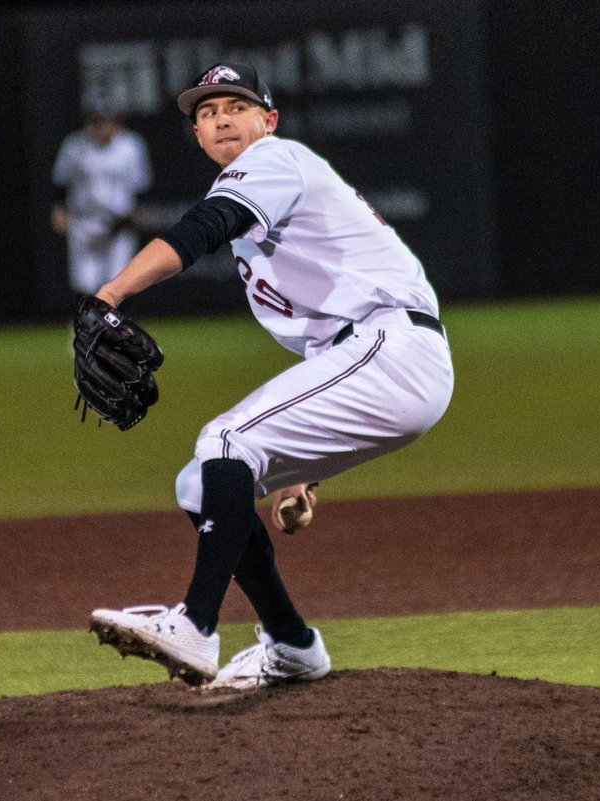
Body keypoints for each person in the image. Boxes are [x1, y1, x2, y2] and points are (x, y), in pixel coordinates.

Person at [87, 64, 454, 690]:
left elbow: (201, 228)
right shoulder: (270, 197)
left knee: (225, 442)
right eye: (205, 112)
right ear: (198, 136)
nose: (220, 117)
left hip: (390, 343)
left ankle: (195, 627)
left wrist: (110, 293)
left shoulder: (276, 161)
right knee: (201, 483)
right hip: (376, 355)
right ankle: (292, 645)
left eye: (235, 105)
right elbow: (325, 348)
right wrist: (306, 472)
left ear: (268, 119)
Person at [50, 101, 153, 294]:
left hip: (118, 222)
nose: (103, 126)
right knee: (85, 282)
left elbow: (141, 184)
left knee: (119, 280)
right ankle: (86, 323)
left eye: (107, 121)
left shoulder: (130, 145)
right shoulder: (75, 145)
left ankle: (114, 323)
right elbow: (61, 181)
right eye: (97, 121)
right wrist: (59, 210)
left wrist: (137, 210)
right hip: (84, 221)